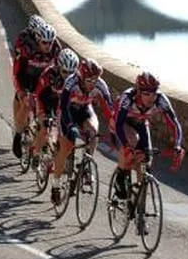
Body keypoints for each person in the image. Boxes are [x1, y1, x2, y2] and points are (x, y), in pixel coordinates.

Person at [51, 58, 115, 206]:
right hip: (68, 112)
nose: (93, 83)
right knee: (66, 146)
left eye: (96, 79)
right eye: (89, 80)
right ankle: (55, 184)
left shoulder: (100, 85)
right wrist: (70, 126)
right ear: (81, 77)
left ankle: (86, 163)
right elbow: (64, 108)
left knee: (93, 131)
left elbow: (109, 110)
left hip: (85, 110)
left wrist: (113, 130)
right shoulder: (70, 83)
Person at [113, 71, 185, 200]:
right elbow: (118, 125)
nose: (151, 97)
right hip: (123, 123)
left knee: (147, 160)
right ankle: (121, 175)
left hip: (141, 123)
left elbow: (174, 124)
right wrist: (126, 146)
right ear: (139, 91)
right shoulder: (128, 98)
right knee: (132, 143)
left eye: (154, 92)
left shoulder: (161, 99)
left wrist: (178, 145)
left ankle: (138, 201)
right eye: (146, 93)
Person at [11, 22, 61, 158]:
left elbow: (59, 72)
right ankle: (18, 134)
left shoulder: (56, 49)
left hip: (43, 79)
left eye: (50, 42)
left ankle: (43, 137)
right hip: (26, 76)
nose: (48, 46)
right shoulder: (27, 49)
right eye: (44, 43)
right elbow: (17, 72)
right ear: (38, 40)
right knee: (26, 104)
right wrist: (21, 91)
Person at [30, 48, 79, 167]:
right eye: (65, 72)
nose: (68, 76)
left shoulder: (76, 80)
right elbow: (38, 93)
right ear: (58, 67)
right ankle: (36, 154)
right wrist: (38, 112)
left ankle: (57, 153)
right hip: (46, 100)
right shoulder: (49, 74)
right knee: (45, 129)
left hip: (61, 103)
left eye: (71, 73)